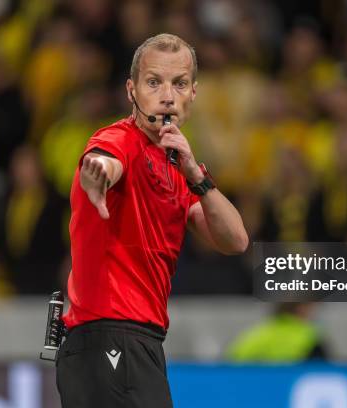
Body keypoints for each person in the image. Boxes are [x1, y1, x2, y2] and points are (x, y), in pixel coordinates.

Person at [56, 33, 249, 408]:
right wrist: (97, 176)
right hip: (109, 338)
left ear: (193, 92)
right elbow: (104, 162)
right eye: (153, 82)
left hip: (137, 344)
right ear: (132, 90)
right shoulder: (118, 140)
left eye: (178, 83)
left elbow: (235, 241)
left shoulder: (180, 167)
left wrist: (197, 175)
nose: (166, 95)